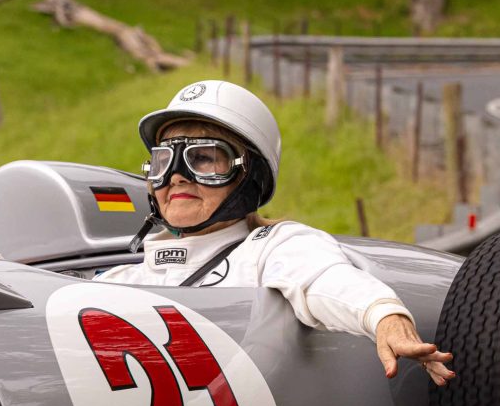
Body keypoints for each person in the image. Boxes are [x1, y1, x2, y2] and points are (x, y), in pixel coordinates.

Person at [98, 80, 455, 386]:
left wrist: (385, 316)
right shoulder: (120, 279)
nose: (176, 175)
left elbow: (326, 279)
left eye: (203, 158)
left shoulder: (272, 247)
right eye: (163, 160)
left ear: (249, 176)